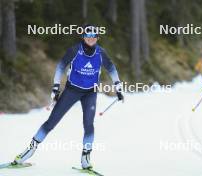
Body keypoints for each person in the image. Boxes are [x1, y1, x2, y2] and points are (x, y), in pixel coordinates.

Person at [12, 25, 124, 169]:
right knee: (51, 122)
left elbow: (112, 69)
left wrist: (118, 87)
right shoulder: (74, 50)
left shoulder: (101, 53)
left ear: (97, 38)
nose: (90, 39)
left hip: (90, 93)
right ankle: (29, 151)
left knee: (89, 124)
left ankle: (85, 158)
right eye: (87, 36)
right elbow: (60, 67)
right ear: (83, 37)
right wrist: (56, 86)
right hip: (72, 91)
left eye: (93, 36)